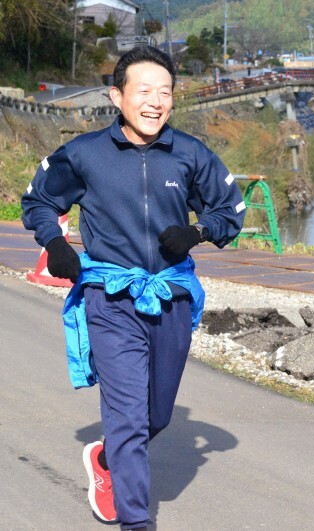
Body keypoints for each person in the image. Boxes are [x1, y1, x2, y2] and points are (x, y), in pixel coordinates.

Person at [21, 46, 245, 529]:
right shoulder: (83, 155)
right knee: (126, 415)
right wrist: (56, 243)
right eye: (143, 91)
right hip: (110, 297)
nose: (155, 102)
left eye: (164, 92)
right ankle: (135, 521)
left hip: (170, 297)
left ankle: (106, 461)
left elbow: (231, 210)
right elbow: (37, 201)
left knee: (155, 416)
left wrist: (197, 231)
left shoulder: (190, 154)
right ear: (116, 95)